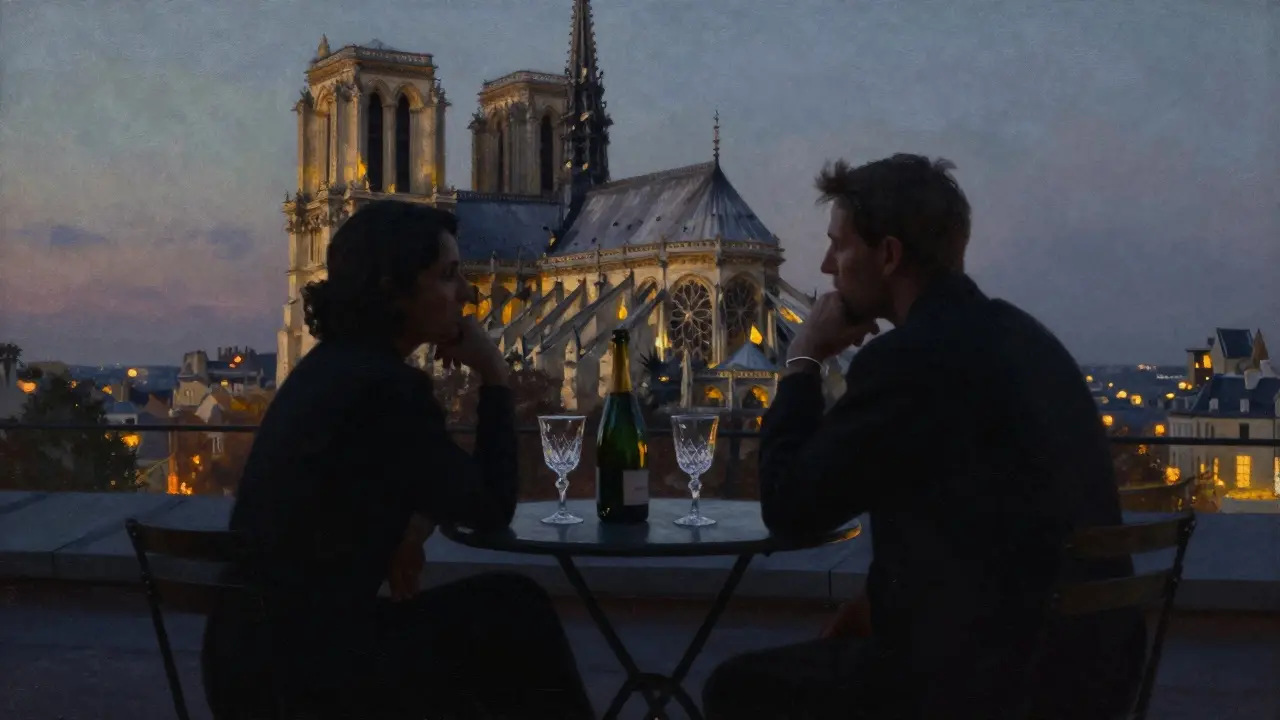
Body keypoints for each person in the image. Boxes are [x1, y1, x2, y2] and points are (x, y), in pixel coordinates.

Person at [702, 155, 1145, 719]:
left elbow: (790, 507)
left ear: (887, 255)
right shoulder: (1028, 339)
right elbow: (973, 532)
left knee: (735, 689)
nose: (825, 266)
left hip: (981, 687)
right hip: (1092, 675)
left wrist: (803, 359)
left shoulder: (910, 361)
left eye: (839, 246)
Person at [201, 201, 594, 719]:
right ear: (394, 287)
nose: (468, 295)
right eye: (449, 276)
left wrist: (411, 521)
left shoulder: (327, 370)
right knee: (515, 612)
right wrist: (495, 377)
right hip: (309, 677)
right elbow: (491, 506)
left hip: (248, 664)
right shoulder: (388, 390)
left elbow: (395, 476)